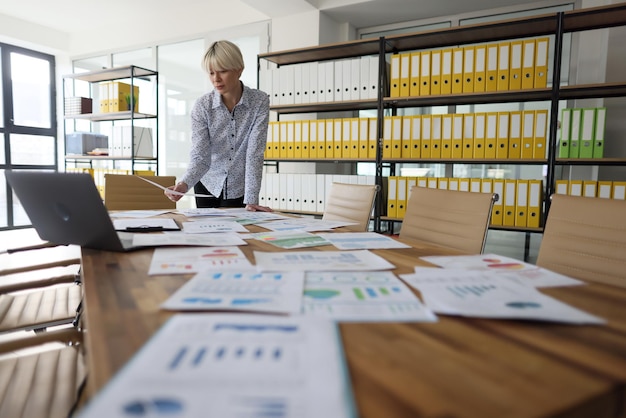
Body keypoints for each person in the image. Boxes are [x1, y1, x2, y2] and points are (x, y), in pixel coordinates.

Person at [165, 40, 272, 212]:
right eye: (211, 73)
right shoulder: (202, 106)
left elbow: (254, 153)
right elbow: (200, 155)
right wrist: (184, 185)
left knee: (238, 235)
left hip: (239, 188)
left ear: (239, 69)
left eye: (222, 71)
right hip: (207, 185)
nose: (216, 79)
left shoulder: (259, 102)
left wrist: (251, 199)